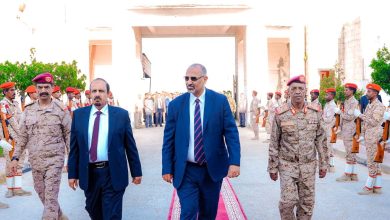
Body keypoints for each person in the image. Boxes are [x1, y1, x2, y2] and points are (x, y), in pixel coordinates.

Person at [162, 63, 241, 220]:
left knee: (208, 213)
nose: (189, 82)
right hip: (186, 171)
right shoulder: (177, 104)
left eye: (193, 78)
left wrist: (234, 162)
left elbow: (231, 133)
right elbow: (168, 139)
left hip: (211, 169)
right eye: (186, 78)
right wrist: (166, 167)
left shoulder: (219, 101)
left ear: (205, 79)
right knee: (188, 212)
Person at [68, 78, 142, 220]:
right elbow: (75, 148)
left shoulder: (121, 115)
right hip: (89, 174)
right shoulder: (79, 115)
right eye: (94, 91)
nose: (97, 94)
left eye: (101, 91)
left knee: (112, 215)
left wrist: (136, 171)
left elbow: (130, 146)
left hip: (112, 172)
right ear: (89, 94)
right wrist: (72, 174)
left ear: (108, 94)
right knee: (93, 210)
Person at [10, 73, 71, 219]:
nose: (43, 90)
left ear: (52, 88)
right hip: (35, 162)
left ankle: (51, 216)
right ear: (36, 90)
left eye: (47, 87)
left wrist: (73, 161)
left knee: (50, 198)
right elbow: (23, 136)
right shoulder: (28, 110)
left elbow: (69, 136)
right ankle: (60, 216)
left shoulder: (60, 109)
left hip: (54, 161)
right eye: (40, 87)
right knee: (41, 193)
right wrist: (15, 157)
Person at [268, 75, 328, 220]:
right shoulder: (281, 113)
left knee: (307, 203)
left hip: (308, 165)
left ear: (305, 91)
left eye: (300, 88)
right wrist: (272, 167)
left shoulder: (316, 112)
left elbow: (321, 140)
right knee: (287, 202)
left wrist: (323, 164)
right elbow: (274, 141)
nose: (297, 92)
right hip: (287, 164)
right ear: (288, 91)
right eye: (293, 88)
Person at [0, 82, 32, 198]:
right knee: (9, 163)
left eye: (14, 90)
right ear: (5, 92)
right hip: (9, 139)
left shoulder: (15, 103)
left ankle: (17, 188)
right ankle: (10, 189)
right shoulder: (3, 104)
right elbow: (9, 122)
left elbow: (21, 118)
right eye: (11, 90)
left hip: (19, 138)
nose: (14, 92)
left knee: (20, 162)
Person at [354, 83, 386, 195]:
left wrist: (360, 115)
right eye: (367, 91)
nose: (366, 93)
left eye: (369, 91)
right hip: (369, 136)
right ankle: (377, 186)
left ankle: (368, 187)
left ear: (375, 93)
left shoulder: (379, 106)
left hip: (374, 137)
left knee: (372, 161)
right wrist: (362, 134)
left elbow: (373, 122)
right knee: (375, 161)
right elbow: (366, 124)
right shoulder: (369, 105)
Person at [336, 83, 359, 182]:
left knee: (350, 152)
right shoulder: (346, 101)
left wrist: (340, 112)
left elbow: (349, 117)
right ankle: (353, 174)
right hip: (346, 129)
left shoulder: (353, 102)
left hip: (350, 130)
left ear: (352, 91)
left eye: (347, 90)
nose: (345, 91)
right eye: (345, 89)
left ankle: (347, 174)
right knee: (351, 151)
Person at [322, 88, 339, 172]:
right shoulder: (327, 104)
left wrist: (322, 118)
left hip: (329, 129)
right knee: (325, 147)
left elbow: (329, 119)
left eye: (327, 95)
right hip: (325, 128)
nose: (325, 96)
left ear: (332, 95)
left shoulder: (333, 106)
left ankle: (331, 166)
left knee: (330, 148)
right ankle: (325, 165)